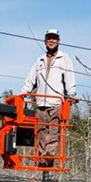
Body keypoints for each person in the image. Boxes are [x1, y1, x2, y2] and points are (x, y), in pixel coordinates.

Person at [21, 29, 76, 167]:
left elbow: (70, 79)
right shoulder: (39, 60)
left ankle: (48, 156)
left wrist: (71, 94)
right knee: (40, 132)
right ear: (45, 40)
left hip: (56, 102)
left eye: (54, 38)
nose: (51, 40)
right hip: (40, 102)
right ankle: (42, 157)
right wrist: (23, 94)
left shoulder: (65, 58)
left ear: (58, 40)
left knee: (53, 130)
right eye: (49, 38)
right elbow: (30, 80)